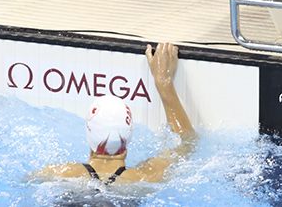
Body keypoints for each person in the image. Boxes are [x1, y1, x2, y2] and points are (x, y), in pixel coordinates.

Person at [33, 42, 196, 183]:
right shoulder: (142, 178)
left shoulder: (57, 174)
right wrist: (163, 81)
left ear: (89, 133)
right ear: (129, 134)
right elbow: (187, 143)